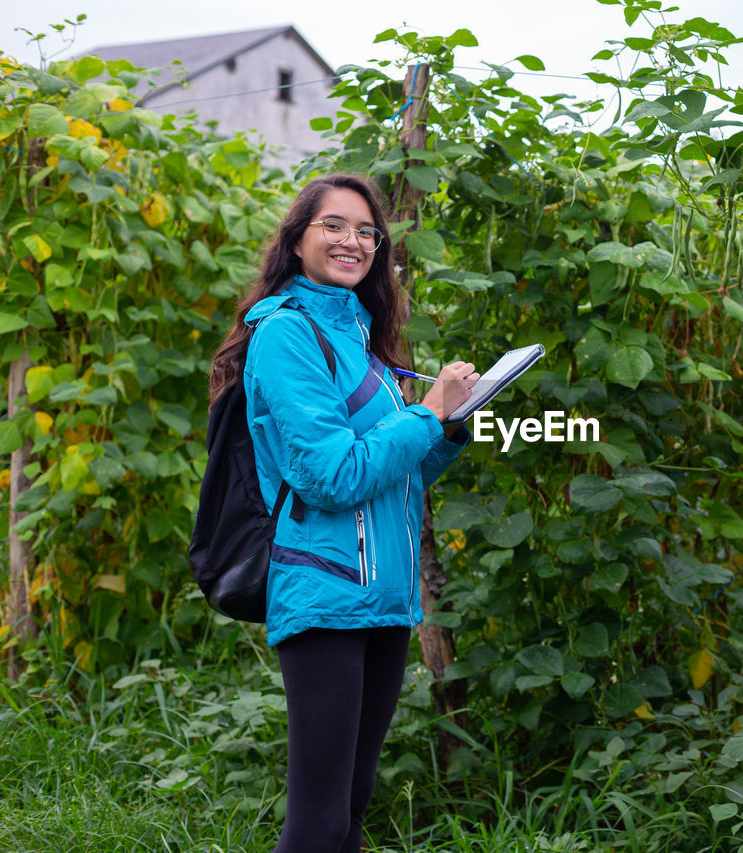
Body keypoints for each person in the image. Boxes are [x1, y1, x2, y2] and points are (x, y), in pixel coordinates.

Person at [207, 174, 478, 852]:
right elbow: (331, 475)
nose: (351, 240)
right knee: (319, 822)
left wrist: (448, 427)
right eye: (333, 225)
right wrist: (426, 414)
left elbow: (397, 474)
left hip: (383, 598)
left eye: (366, 231)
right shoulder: (286, 337)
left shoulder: (363, 343)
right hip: (325, 591)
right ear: (297, 240)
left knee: (351, 816)